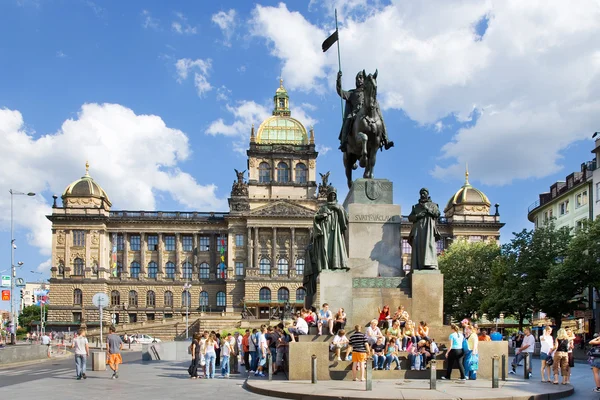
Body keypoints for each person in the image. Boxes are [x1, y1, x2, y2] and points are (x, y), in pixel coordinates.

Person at [407, 188, 441, 270]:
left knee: (428, 245)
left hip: (428, 228)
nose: (422, 195)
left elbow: (437, 214)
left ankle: (430, 264)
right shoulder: (416, 206)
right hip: (418, 228)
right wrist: (418, 216)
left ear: (427, 194)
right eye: (421, 193)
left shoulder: (433, 205)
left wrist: (427, 209)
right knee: (417, 246)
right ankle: (417, 265)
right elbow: (410, 218)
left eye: (424, 193)